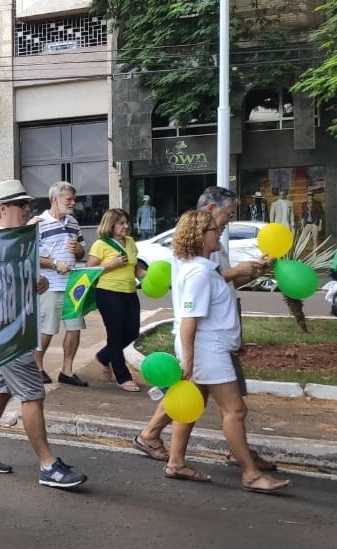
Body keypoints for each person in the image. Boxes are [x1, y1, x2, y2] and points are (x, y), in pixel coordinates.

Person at [0, 179, 88, 489]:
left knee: (1, 391)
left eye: (27, 204)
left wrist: (33, 285)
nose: (28, 209)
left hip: (14, 327)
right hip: (6, 333)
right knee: (32, 393)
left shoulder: (16, 238)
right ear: (3, 208)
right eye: (21, 204)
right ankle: (48, 465)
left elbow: (11, 283)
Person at [131, 186, 271, 464]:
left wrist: (251, 272)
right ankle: (243, 462)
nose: (228, 222)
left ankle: (174, 456)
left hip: (213, 336)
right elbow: (200, 292)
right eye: (228, 214)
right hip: (208, 339)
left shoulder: (210, 247)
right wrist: (191, 356)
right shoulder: (199, 256)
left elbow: (218, 285)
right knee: (230, 406)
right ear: (210, 212)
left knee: (197, 397)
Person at [158, 210, 290, 493]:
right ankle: (251, 475)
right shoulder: (199, 272)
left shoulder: (201, 266)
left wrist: (259, 267)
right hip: (207, 349)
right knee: (234, 409)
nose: (218, 232)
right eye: (214, 230)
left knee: (193, 404)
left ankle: (176, 462)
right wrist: (189, 359)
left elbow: (223, 290)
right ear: (199, 236)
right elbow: (190, 319)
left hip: (210, 345)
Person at [34, 181, 87, 386]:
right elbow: (31, 256)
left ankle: (67, 371)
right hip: (51, 285)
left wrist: (77, 251)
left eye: (74, 199)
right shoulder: (39, 223)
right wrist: (55, 263)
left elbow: (83, 251)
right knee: (47, 329)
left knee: (74, 328)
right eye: (69, 199)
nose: (73, 202)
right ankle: (37, 368)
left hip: (72, 284)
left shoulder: (73, 222)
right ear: (54, 199)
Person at [86, 208, 145, 392]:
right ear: (110, 224)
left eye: (127, 222)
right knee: (116, 334)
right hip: (108, 293)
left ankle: (104, 356)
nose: (126, 226)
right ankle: (123, 376)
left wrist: (146, 276)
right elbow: (89, 271)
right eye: (121, 223)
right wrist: (109, 265)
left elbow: (134, 267)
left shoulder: (130, 242)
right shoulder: (100, 244)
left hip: (129, 292)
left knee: (133, 333)